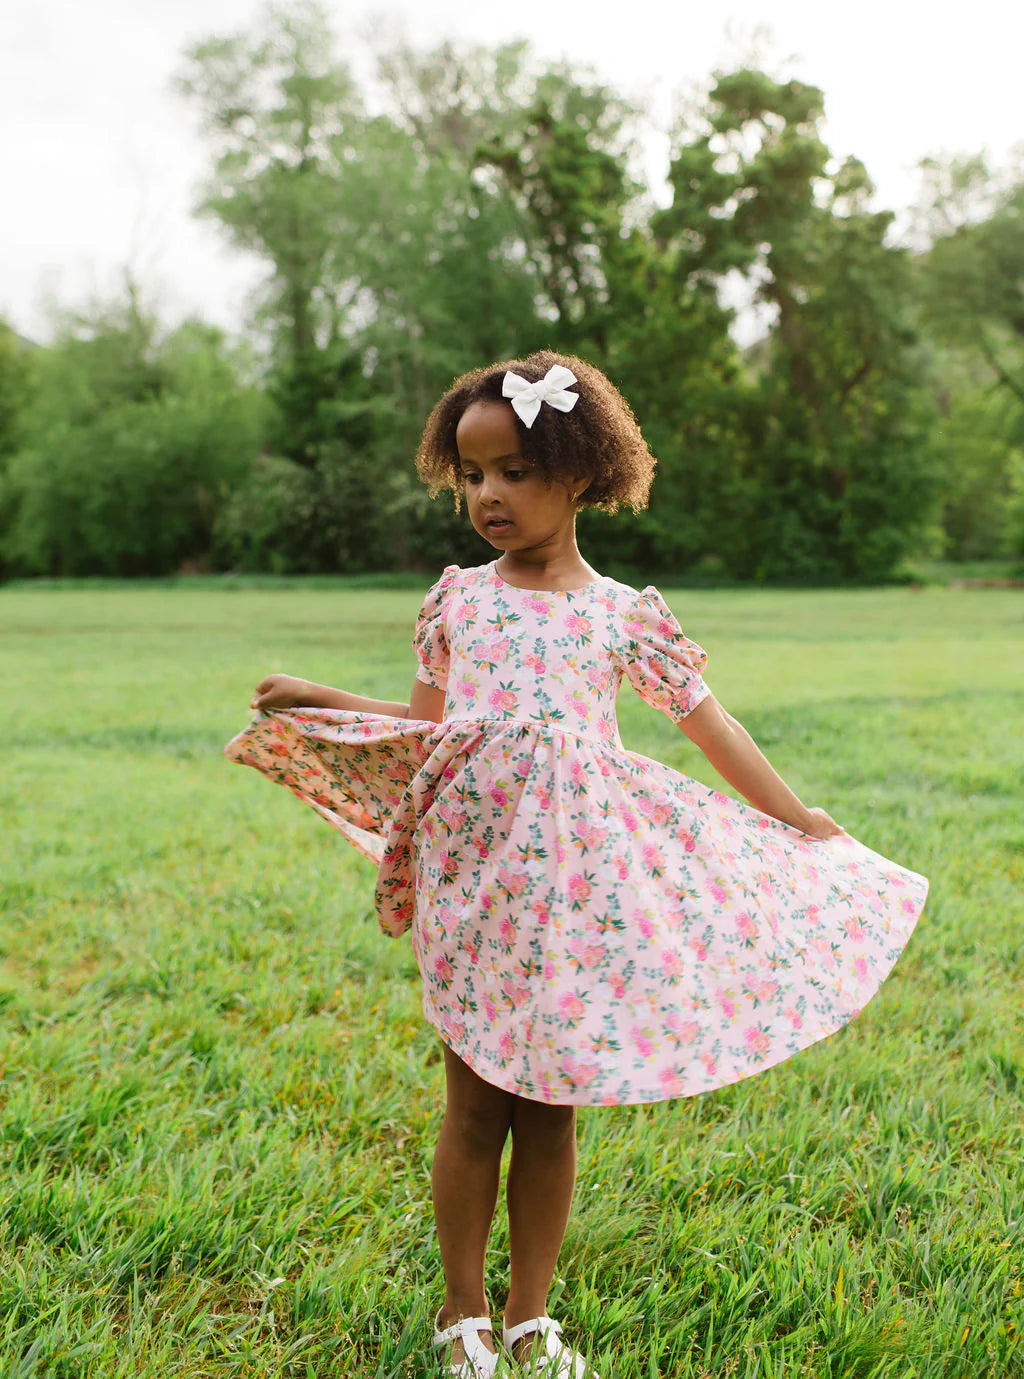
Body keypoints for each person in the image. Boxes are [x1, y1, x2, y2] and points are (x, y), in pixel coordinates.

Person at [225, 350, 929, 1378]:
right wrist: (318, 696)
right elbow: (433, 730)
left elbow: (708, 721)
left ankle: (528, 1314)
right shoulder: (457, 600)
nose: (488, 495)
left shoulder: (618, 614)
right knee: (472, 1108)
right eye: (471, 476)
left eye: (512, 469)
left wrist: (796, 814)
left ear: (580, 469)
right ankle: (462, 1310)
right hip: (477, 884)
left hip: (576, 895)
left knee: (548, 1112)